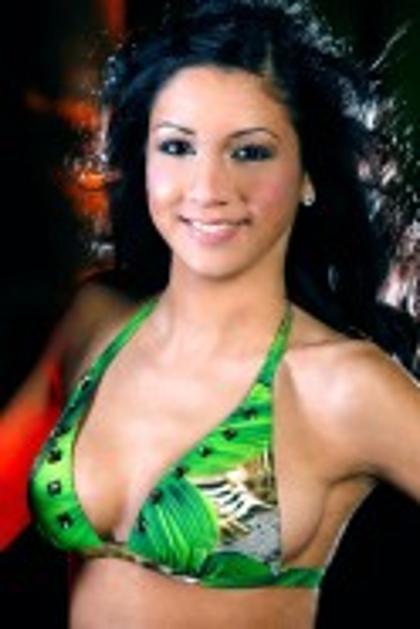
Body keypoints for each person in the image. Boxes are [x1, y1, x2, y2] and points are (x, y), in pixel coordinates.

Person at [2, 1, 419, 627]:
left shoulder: (341, 385)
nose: (207, 189)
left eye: (249, 152)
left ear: (308, 174)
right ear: (143, 161)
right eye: (177, 146)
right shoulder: (96, 324)